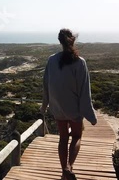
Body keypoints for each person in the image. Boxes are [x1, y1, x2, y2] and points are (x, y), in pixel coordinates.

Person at [40, 28, 97, 180]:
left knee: (63, 138)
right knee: (77, 136)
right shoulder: (80, 62)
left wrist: (44, 105)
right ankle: (69, 167)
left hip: (57, 107)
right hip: (74, 109)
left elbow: (46, 84)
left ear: (60, 41)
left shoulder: (52, 60)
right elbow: (85, 91)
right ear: (72, 40)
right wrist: (90, 115)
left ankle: (64, 171)